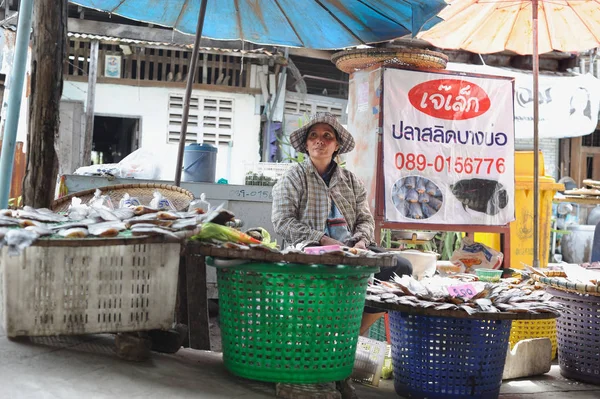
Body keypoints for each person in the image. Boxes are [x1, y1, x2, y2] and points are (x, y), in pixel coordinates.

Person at [271, 113, 412, 397]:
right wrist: (321, 239)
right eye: (314, 136)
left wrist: (360, 242)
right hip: (309, 251)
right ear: (306, 144)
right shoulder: (293, 177)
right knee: (324, 286)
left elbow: (365, 219)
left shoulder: (350, 180)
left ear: (336, 146)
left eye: (327, 137)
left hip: (350, 251)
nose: (319, 141)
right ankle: (323, 358)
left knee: (400, 269)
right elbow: (283, 221)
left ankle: (344, 344)